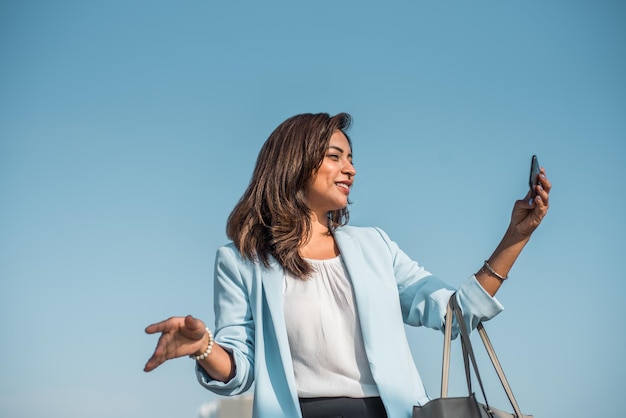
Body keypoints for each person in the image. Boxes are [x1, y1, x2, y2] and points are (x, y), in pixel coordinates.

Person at [143, 112, 551, 418]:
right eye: (334, 156)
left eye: (351, 158)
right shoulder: (240, 260)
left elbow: (454, 315)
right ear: (294, 164)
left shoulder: (375, 246)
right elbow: (242, 370)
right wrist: (204, 348)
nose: (350, 169)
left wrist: (516, 236)